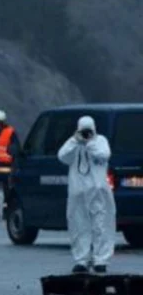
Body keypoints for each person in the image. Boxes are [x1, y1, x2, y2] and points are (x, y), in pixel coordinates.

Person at [57, 116, 115, 274]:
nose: (86, 134)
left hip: (99, 192)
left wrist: (89, 144)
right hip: (78, 193)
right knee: (78, 226)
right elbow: (62, 156)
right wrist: (75, 141)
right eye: (84, 131)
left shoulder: (100, 141)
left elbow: (104, 155)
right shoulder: (74, 144)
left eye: (88, 131)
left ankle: (101, 259)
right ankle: (81, 260)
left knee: (102, 225)